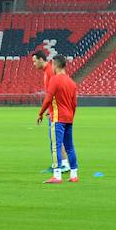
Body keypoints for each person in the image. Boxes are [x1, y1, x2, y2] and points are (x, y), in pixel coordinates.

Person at [37, 55, 79, 184]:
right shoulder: (72, 82)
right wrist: (71, 117)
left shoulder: (54, 80)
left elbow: (48, 98)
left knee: (55, 146)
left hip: (57, 118)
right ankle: (74, 174)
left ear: (55, 65)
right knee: (70, 147)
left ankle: (57, 175)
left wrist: (40, 113)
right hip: (69, 118)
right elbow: (74, 104)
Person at [32, 49, 69, 173]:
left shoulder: (50, 71)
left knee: (55, 139)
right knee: (58, 139)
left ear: (41, 59)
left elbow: (56, 90)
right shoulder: (46, 71)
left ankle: (59, 165)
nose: (34, 64)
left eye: (34, 61)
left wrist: (51, 109)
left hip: (57, 111)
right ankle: (64, 164)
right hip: (55, 109)